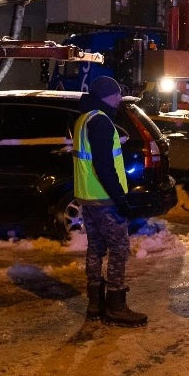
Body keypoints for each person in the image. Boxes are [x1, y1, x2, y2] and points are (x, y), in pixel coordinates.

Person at [73, 76, 148, 328]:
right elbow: (104, 167)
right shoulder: (102, 122)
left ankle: (95, 302)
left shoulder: (83, 119)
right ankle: (116, 305)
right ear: (106, 96)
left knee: (95, 248)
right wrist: (121, 200)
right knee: (119, 249)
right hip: (105, 199)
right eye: (116, 95)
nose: (119, 99)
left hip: (87, 197)